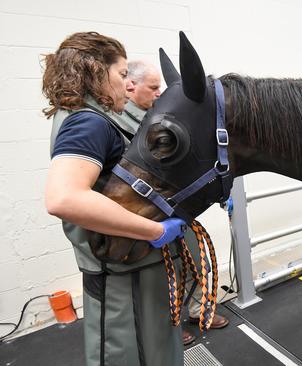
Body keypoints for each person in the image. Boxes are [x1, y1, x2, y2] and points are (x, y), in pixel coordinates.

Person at [42, 32, 186, 366]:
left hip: (133, 269)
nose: (127, 86)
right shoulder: (89, 124)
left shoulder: (89, 118)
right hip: (125, 275)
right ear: (95, 71)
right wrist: (154, 231)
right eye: (122, 75)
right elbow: (64, 198)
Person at [122, 59, 230, 346]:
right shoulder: (128, 120)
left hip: (175, 208)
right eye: (154, 87)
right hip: (151, 210)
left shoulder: (156, 113)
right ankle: (172, 324)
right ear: (131, 86)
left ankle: (198, 310)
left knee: (197, 260)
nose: (159, 93)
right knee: (166, 272)